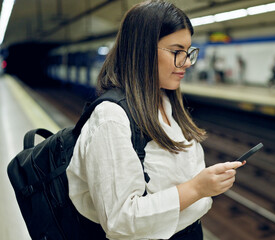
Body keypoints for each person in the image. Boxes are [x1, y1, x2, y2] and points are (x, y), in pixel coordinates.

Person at [66, 1, 244, 239]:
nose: (187, 62)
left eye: (188, 52)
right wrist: (197, 188)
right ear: (143, 50)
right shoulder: (111, 118)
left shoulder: (167, 102)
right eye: (176, 52)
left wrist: (206, 183)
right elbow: (119, 219)